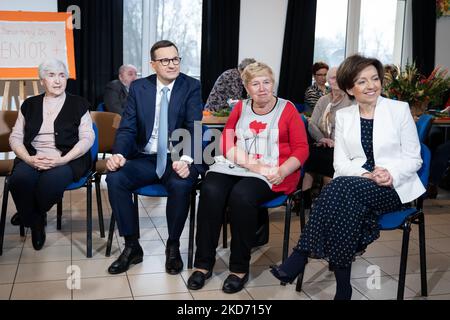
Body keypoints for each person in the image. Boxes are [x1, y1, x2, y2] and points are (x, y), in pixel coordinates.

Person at [270, 54, 425, 300]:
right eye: (362, 81)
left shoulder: (398, 110)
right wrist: (366, 174)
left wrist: (390, 173)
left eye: (375, 78)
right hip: (357, 185)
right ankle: (343, 290)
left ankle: (300, 258)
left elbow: (414, 158)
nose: (371, 85)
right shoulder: (344, 116)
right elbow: (340, 163)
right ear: (350, 87)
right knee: (346, 204)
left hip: (393, 188)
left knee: (339, 189)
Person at [187, 62, 309, 294]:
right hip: (240, 165)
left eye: (267, 82)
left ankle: (239, 268)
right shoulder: (240, 108)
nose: (262, 88)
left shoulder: (288, 109)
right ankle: (203, 264)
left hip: (274, 171)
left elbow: (302, 149)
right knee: (211, 189)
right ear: (246, 87)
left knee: (242, 196)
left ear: (273, 83)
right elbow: (225, 142)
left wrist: (281, 171)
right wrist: (252, 164)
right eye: (255, 83)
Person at [105, 40, 204, 275]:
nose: (172, 64)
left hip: (177, 158)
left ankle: (173, 245)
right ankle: (131, 246)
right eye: (165, 60)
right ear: (153, 64)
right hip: (145, 158)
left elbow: (195, 128)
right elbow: (128, 128)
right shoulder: (139, 87)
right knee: (115, 179)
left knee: (181, 185)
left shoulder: (191, 86)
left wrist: (188, 159)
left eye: (176, 59)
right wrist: (118, 154)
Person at [8, 58, 95, 251]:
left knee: (50, 182)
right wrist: (28, 158)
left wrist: (62, 159)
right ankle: (36, 218)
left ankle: (30, 216)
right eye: (51, 75)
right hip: (33, 157)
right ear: (42, 81)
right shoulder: (29, 105)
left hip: (67, 158)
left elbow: (87, 138)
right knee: (18, 180)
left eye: (62, 75)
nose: (58, 81)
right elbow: (15, 137)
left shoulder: (79, 104)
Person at [301, 67, 353, 208]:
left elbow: (352, 129)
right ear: (327, 80)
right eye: (332, 78)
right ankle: (304, 201)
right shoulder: (323, 100)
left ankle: (326, 202)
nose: (335, 81)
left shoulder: (351, 101)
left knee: (328, 161)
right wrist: (322, 139)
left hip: (340, 146)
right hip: (322, 142)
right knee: (310, 157)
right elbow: (312, 123)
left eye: (338, 77)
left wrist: (336, 142)